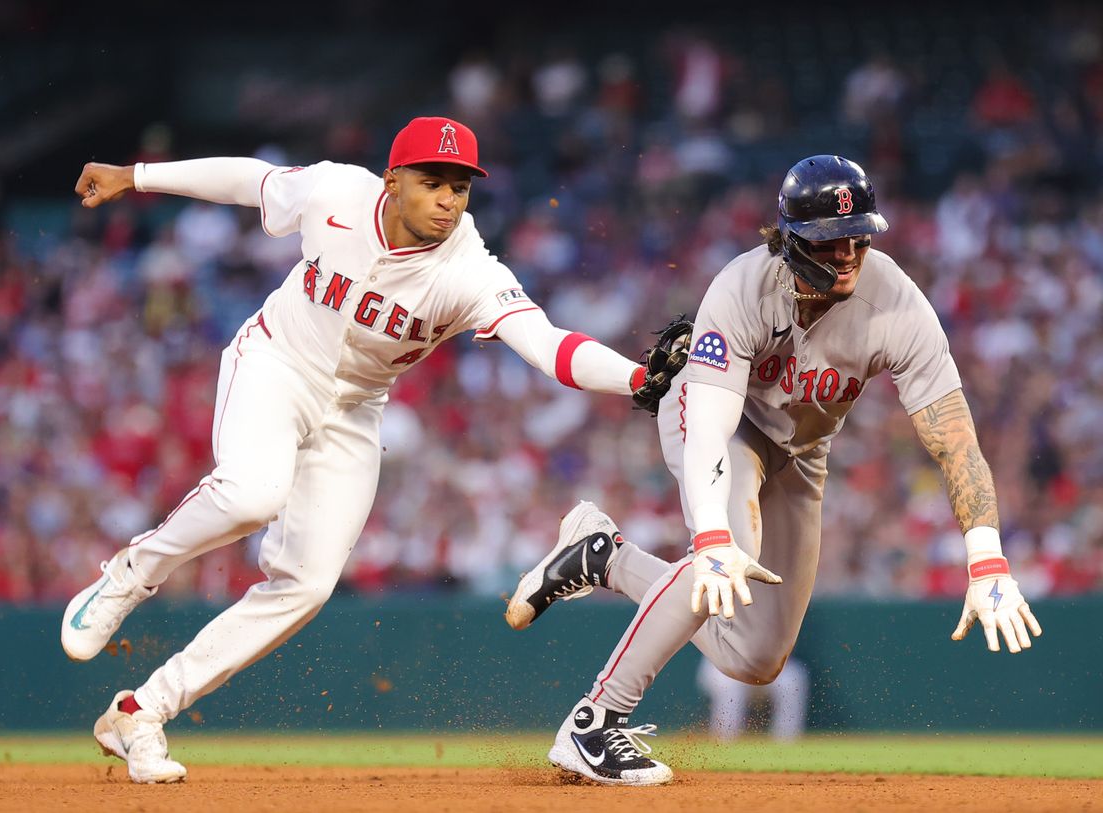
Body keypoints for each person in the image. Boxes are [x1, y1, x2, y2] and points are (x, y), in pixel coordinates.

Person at [61, 117, 659, 784]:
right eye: (433, 182)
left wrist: (634, 376)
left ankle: (141, 710)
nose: (448, 200)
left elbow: (549, 345)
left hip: (354, 411)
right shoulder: (336, 193)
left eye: (460, 186)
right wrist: (136, 177)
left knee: (308, 585)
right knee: (253, 492)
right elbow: (245, 181)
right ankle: (128, 575)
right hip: (277, 364)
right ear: (393, 180)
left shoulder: (469, 271)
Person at [505, 155, 1043, 786]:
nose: (847, 254)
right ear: (790, 240)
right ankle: (595, 722)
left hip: (801, 450)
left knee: (756, 656)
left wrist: (987, 559)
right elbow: (708, 426)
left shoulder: (896, 304)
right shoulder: (741, 289)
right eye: (829, 240)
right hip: (717, 420)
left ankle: (607, 558)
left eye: (858, 237)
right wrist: (710, 538)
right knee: (732, 548)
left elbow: (954, 440)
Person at [697, 656, 807, 741]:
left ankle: (786, 742)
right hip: (723, 665)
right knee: (730, 685)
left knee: (791, 680)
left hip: (768, 666)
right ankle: (723, 741)